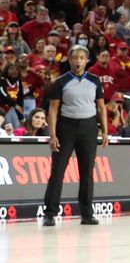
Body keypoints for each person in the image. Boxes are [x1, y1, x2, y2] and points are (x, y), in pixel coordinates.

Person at [42, 45, 108, 226]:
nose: (78, 61)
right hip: (66, 127)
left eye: (81, 58)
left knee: (87, 173)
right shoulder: (61, 81)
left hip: (88, 127)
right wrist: (53, 135)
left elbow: (101, 107)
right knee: (57, 172)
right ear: (69, 60)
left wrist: (105, 131)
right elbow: (53, 110)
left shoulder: (95, 80)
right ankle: (50, 213)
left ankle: (87, 214)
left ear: (87, 60)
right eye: (74, 58)